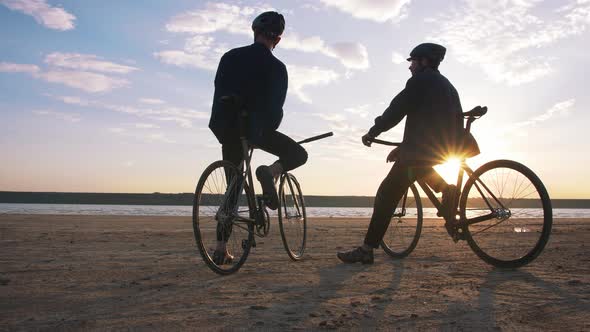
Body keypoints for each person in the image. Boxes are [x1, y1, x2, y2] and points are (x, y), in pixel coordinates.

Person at [337, 43, 464, 264]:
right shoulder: (448, 85)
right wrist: (404, 147)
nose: (410, 67)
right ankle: (448, 190)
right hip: (449, 147)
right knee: (418, 168)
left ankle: (367, 249)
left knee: (386, 193)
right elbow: (429, 122)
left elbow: (397, 109)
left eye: (413, 61)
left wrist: (373, 131)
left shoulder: (420, 81)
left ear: (423, 62)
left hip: (423, 148)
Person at [208, 11, 308, 264]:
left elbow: (219, 91)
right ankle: (271, 172)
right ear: (278, 40)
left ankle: (220, 248)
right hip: (257, 129)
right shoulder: (277, 68)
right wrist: (261, 132)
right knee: (298, 154)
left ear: (254, 32)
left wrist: (225, 127)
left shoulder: (230, 57)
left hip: (228, 128)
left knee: (233, 185)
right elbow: (276, 107)